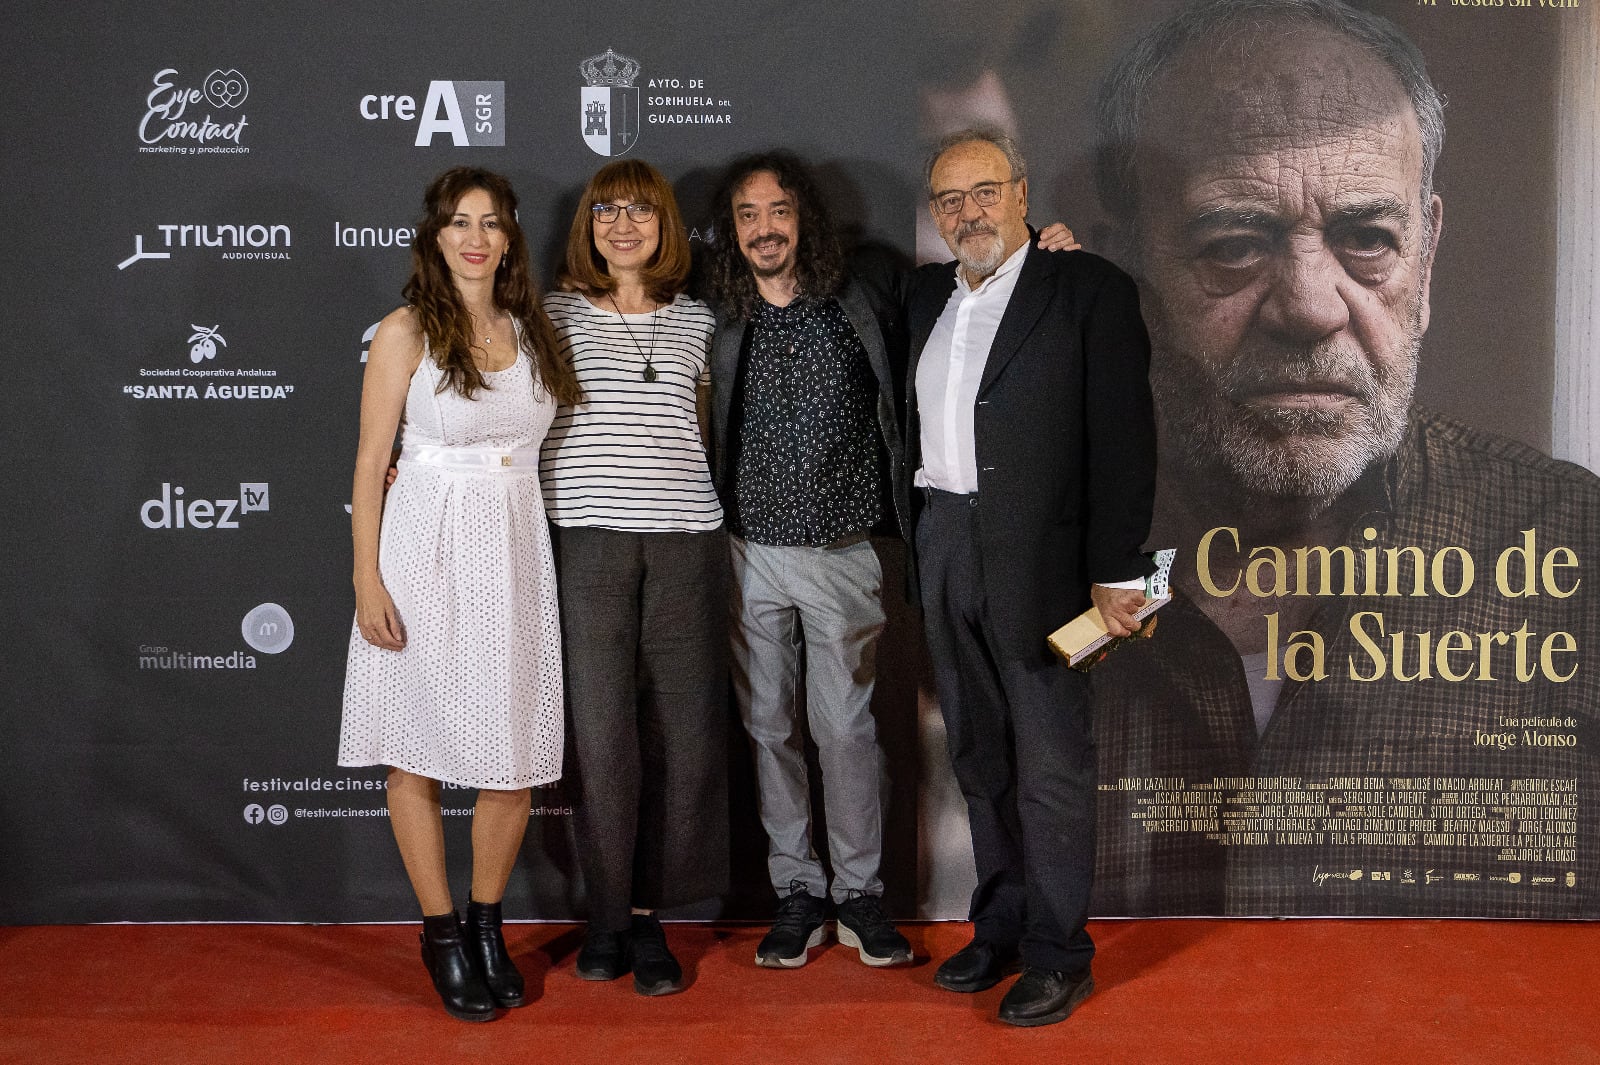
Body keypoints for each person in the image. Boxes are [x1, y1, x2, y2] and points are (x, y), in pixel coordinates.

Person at [1086, 0, 1600, 918]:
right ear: (1126, 268)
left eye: (1366, 239)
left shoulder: (1578, 552)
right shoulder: (1032, 556)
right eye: (1235, 245)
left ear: (1426, 258)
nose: (1312, 307)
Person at [907, 127, 1156, 1027]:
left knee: (1051, 766)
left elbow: (1126, 440)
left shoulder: (1086, 289)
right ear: (933, 215)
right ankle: (1001, 926)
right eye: (948, 199)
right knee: (977, 755)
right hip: (941, 539)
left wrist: (1119, 570)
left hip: (1045, 562)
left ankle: (1060, 953)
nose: (967, 212)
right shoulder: (924, 294)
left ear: (1022, 194)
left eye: (983, 192)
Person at [338, 167, 580, 1021]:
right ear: (435, 236)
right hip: (423, 550)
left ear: (509, 238)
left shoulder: (532, 330)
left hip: (513, 549)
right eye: (458, 222)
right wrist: (367, 574)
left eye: (491, 222)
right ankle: (440, 931)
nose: (475, 236)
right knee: (417, 748)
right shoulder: (405, 330)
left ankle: (487, 922)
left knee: (509, 751)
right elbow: (371, 464)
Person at [703, 152, 917, 970]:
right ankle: (798, 890)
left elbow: (967, 295)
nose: (765, 227)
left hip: (843, 553)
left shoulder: (862, 297)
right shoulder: (721, 315)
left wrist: (1045, 246)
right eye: (749, 214)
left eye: (778, 210)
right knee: (768, 729)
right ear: (734, 230)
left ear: (805, 220)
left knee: (845, 729)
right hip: (748, 553)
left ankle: (860, 894)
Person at [540, 159, 728, 996]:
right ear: (588, 225)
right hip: (587, 543)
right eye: (607, 210)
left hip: (687, 543)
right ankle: (608, 917)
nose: (624, 225)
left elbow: (705, 428)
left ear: (666, 227)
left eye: (641, 212)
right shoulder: (552, 315)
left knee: (680, 739)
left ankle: (653, 917)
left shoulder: (698, 322)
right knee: (603, 736)